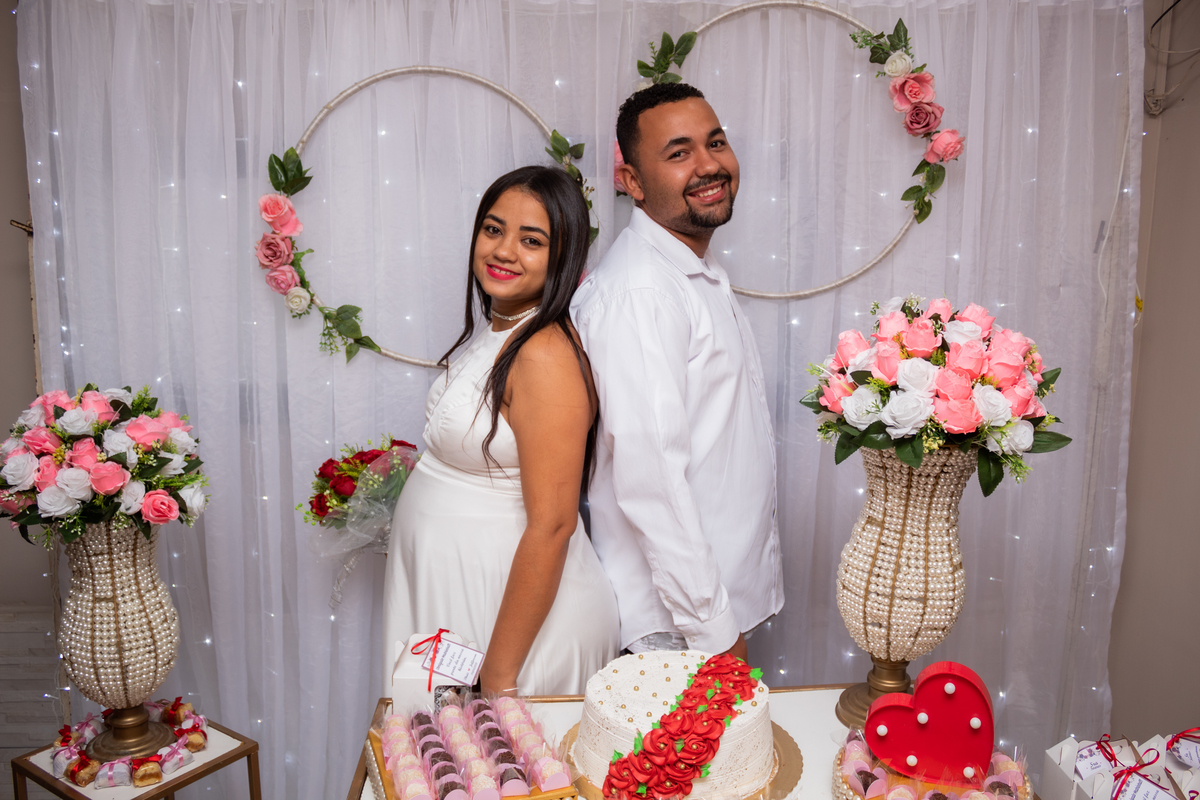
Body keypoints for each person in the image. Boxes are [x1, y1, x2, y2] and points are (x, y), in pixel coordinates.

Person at [382, 165, 619, 697]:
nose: (504, 250)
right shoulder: (502, 327)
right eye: (493, 229)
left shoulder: (544, 354)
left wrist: (499, 675)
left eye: (531, 240)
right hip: (460, 595)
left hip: (510, 624)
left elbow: (553, 525)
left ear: (563, 258)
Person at [570, 83, 783, 660]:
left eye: (715, 142)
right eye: (679, 152)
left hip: (708, 613)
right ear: (633, 182)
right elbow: (651, 480)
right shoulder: (641, 294)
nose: (709, 165)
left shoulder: (690, 270)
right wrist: (716, 634)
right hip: (676, 631)